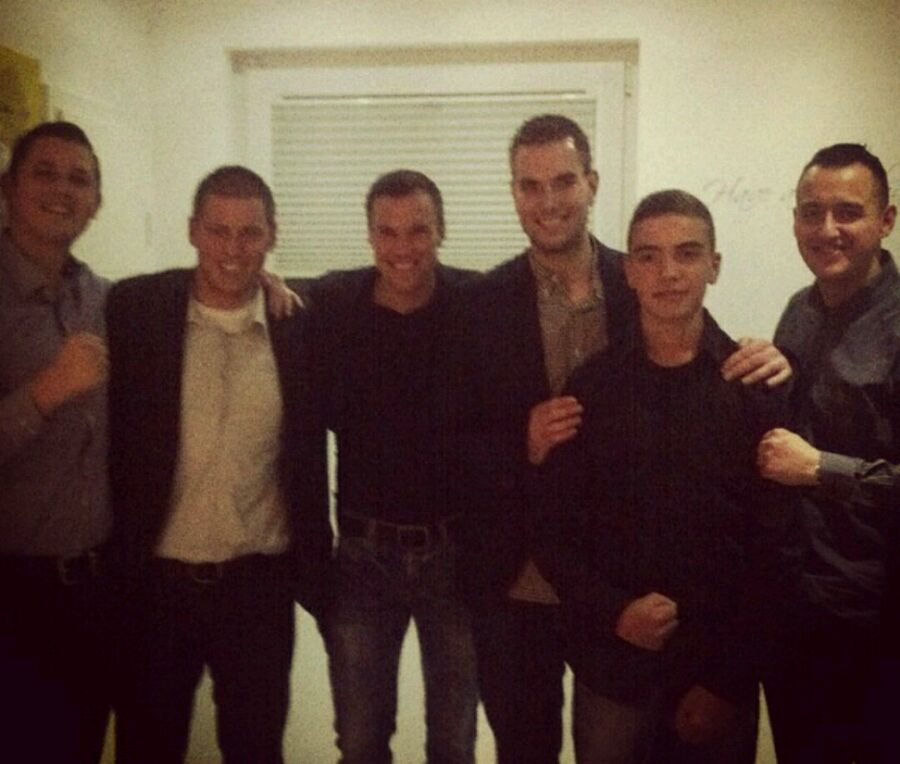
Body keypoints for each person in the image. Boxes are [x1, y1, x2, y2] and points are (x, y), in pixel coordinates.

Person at [459, 114, 791, 764]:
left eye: (563, 181)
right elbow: (449, 440)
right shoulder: (479, 303)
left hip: (658, 612)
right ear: (514, 193)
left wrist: (777, 360)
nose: (548, 201)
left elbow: (765, 535)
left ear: (591, 183)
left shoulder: (638, 275)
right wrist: (520, 440)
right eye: (530, 185)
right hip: (521, 581)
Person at [536, 189, 794, 763]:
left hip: (716, 674)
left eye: (687, 253)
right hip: (612, 669)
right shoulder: (591, 388)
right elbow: (554, 531)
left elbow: (775, 550)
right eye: (649, 256)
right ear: (628, 271)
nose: (668, 272)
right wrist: (614, 613)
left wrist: (727, 679)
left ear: (714, 265)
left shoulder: (754, 391)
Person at [106, 165, 332, 763]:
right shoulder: (136, 310)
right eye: (218, 230)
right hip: (157, 587)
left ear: (272, 235)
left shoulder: (299, 325)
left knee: (256, 750)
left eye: (249, 233)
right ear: (192, 231)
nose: (233, 249)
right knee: (146, 749)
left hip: (257, 589)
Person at [307, 169, 479, 763]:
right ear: (370, 236)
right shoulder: (333, 303)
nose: (403, 247)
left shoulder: (476, 303)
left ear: (441, 231)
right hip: (363, 556)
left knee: (453, 741)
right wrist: (270, 284)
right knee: (359, 740)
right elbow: (261, 288)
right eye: (387, 231)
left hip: (455, 554)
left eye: (418, 230)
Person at [756, 143, 899, 763]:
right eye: (811, 213)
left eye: (848, 212)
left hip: (874, 621)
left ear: (886, 219)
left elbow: (806, 460)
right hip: (793, 605)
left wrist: (819, 468)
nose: (827, 229)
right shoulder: (799, 311)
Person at [0, 121, 114, 763]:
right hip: (12, 593)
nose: (63, 190)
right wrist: (46, 391)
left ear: (96, 202)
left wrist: (259, 281)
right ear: (8, 187)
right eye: (44, 172)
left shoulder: (103, 298)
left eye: (80, 179)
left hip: (95, 590)